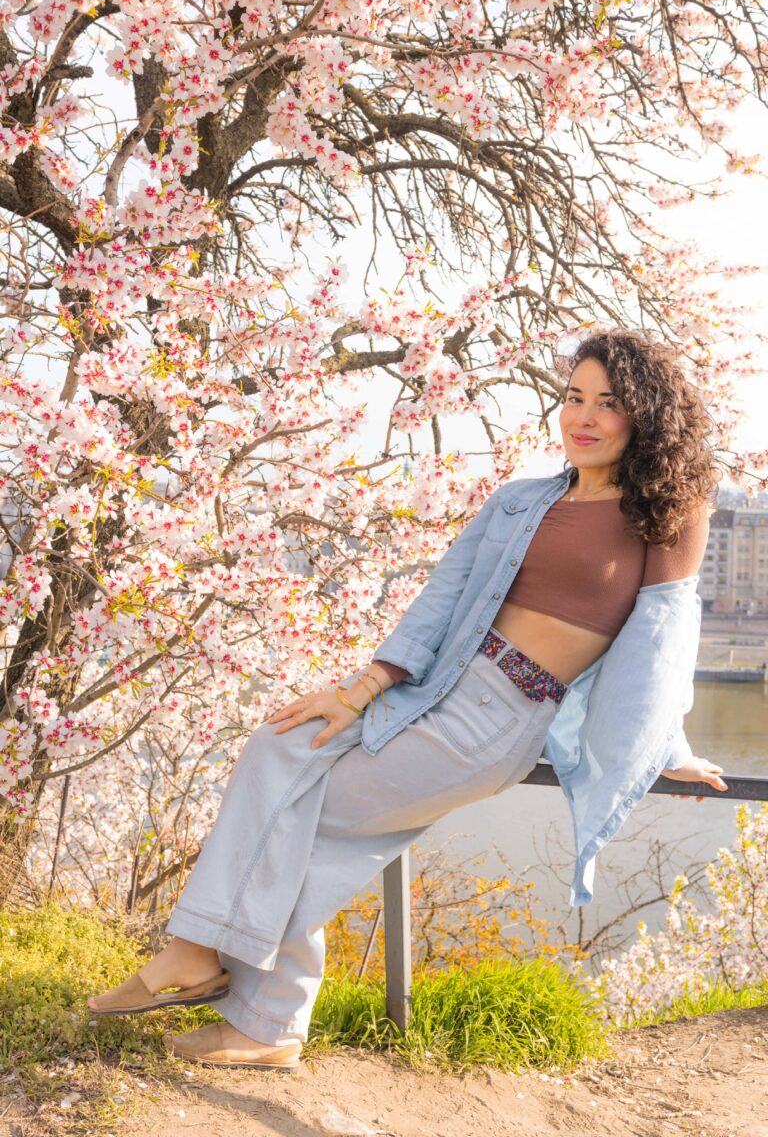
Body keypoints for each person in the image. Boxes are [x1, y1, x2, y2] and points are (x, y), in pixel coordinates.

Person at [88, 327, 727, 1070]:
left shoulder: (667, 513)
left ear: (644, 414)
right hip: (436, 688)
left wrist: (667, 748)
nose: (582, 418)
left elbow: (661, 643)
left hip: (500, 721)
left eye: (607, 403)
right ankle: (253, 1012)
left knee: (302, 813)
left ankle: (222, 978)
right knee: (276, 747)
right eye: (573, 397)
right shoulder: (519, 503)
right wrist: (357, 692)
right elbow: (441, 600)